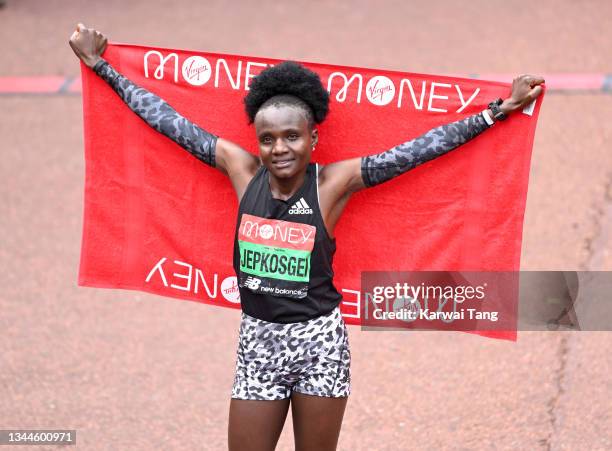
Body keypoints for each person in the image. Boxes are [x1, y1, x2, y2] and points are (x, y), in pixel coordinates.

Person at [69, 23, 544, 451]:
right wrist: (101, 67)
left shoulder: (333, 184)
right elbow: (166, 120)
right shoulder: (240, 169)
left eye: (292, 137)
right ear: (256, 141)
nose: (280, 149)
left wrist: (497, 111)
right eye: (268, 139)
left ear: (313, 139)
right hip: (257, 344)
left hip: (320, 345)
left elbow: (416, 151)